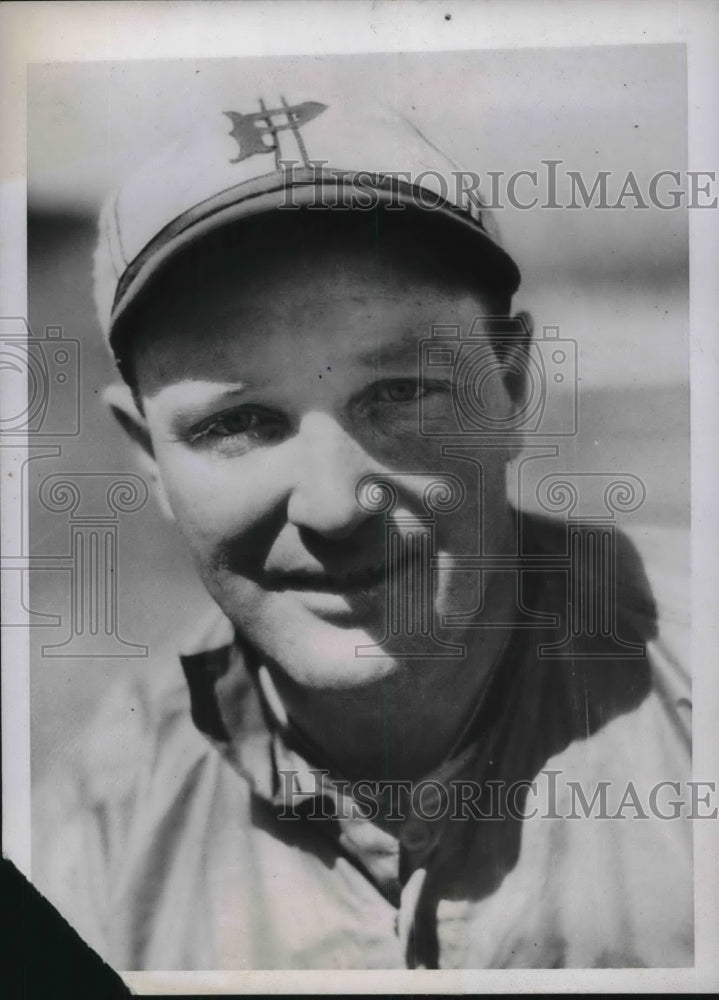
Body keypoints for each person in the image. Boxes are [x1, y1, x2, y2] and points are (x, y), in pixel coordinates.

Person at [33, 93, 692, 970]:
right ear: (148, 457)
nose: (334, 505)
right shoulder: (89, 837)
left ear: (510, 386)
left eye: (400, 393)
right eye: (239, 423)